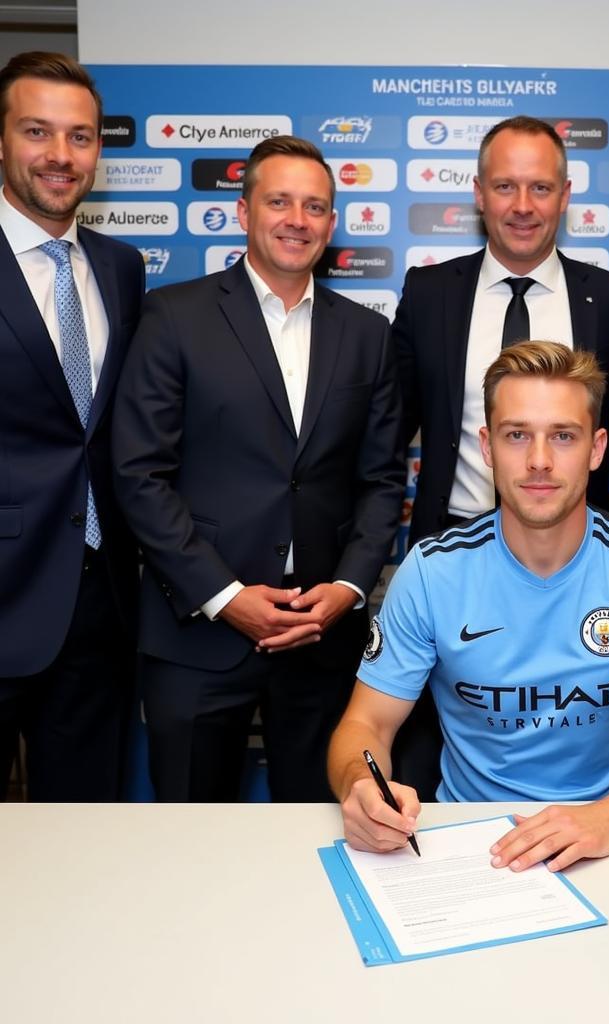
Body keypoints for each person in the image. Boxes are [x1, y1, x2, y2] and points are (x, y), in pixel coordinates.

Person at [329, 342, 609, 871]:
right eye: (517, 435)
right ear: (486, 446)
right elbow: (363, 726)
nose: (540, 461)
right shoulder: (432, 571)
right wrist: (361, 786)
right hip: (469, 849)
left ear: (597, 449)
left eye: (564, 437)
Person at [113, 136, 405, 802]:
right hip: (198, 633)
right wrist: (225, 597)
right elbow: (139, 474)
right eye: (279, 201)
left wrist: (350, 589)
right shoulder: (173, 316)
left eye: (314, 206)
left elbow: (382, 481)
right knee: (190, 831)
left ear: (332, 224)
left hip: (320, 637)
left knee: (319, 832)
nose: (296, 220)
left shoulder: (367, 336)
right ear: (244, 211)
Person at [391, 115, 609, 792]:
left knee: (573, 741)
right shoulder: (429, 293)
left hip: (577, 560)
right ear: (478, 192)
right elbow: (387, 433)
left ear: (566, 196)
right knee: (446, 750)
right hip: (455, 556)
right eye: (506, 186)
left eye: (540, 187)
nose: (523, 206)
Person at [0, 52, 145, 800]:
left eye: (80, 137)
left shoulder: (120, 268)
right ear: (2, 140)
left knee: (82, 835)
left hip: (100, 606)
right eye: (37, 131)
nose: (60, 155)